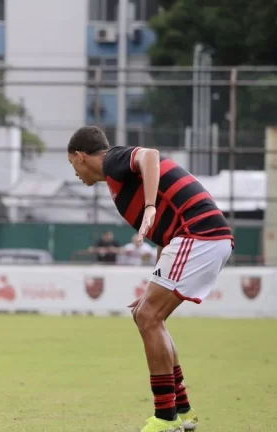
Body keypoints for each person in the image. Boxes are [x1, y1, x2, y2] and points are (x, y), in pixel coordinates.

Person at [67, 126, 233, 432]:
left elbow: (150, 155)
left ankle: (165, 417)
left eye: (72, 165)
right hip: (195, 237)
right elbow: (165, 235)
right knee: (147, 314)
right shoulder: (117, 181)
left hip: (199, 234)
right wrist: (153, 283)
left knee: (148, 317)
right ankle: (182, 411)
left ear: (80, 157)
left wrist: (150, 206)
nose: (75, 173)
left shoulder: (113, 160)